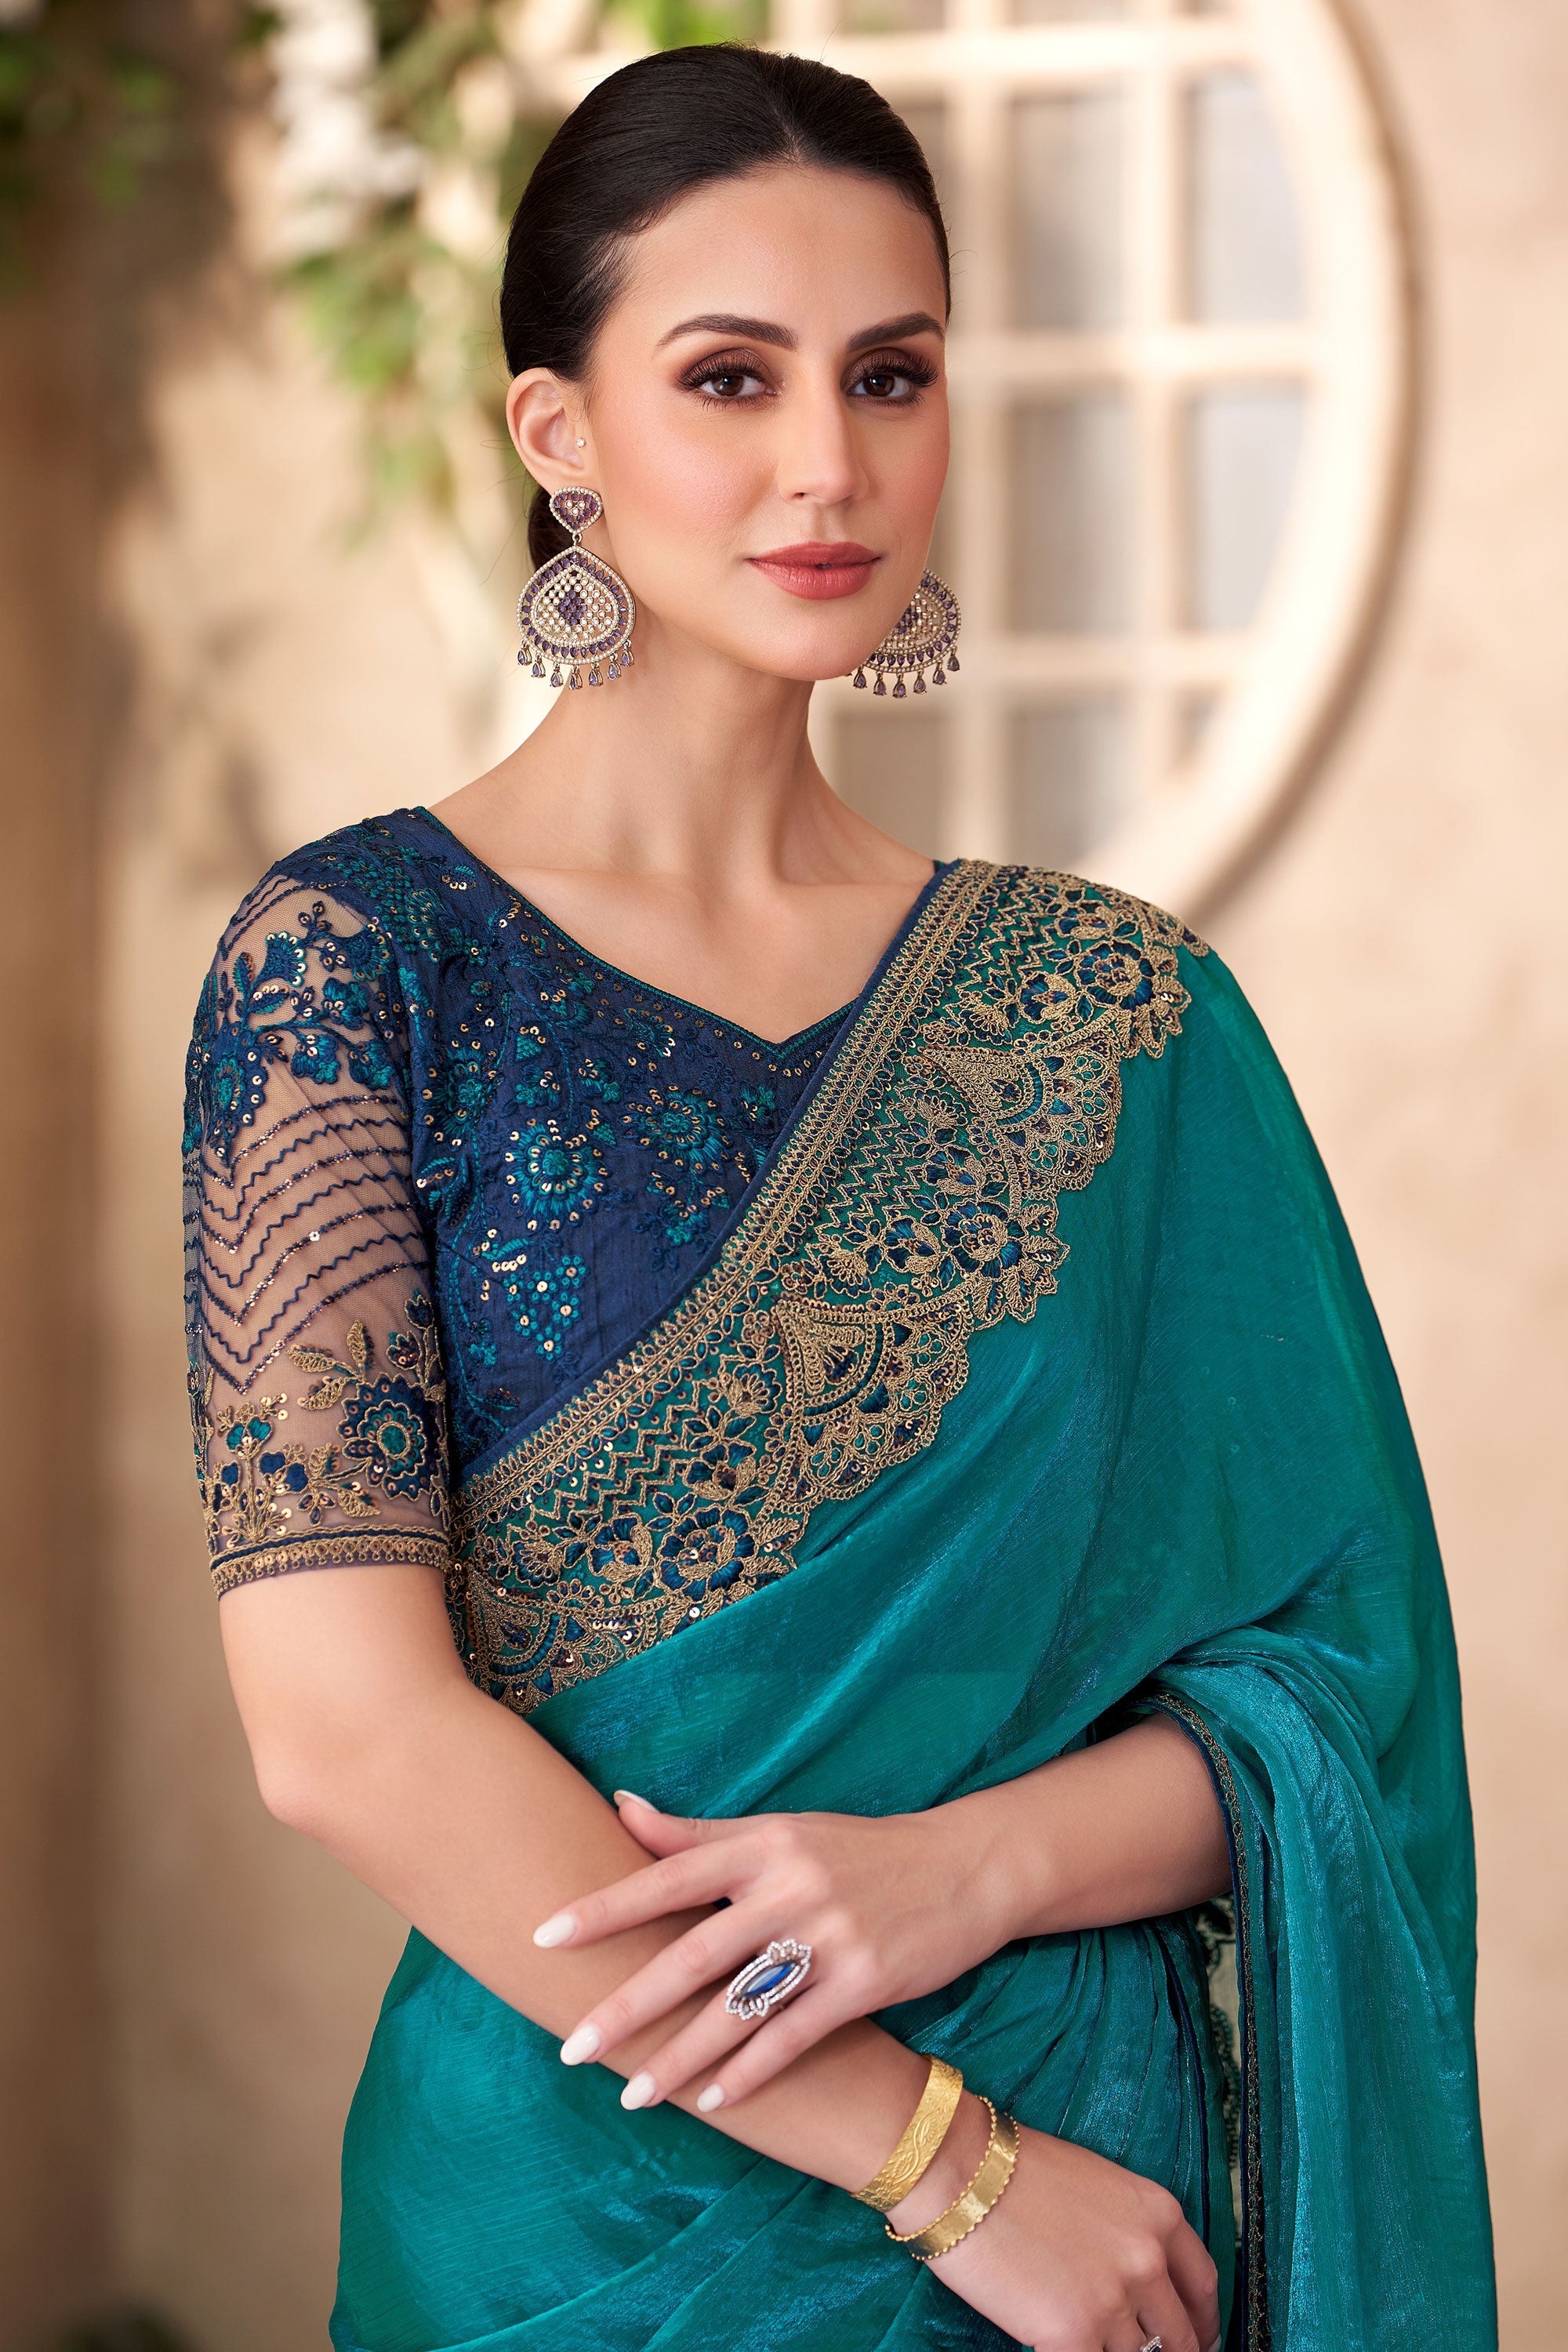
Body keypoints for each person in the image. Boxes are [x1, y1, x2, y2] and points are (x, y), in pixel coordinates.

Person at [182, 44, 1495, 2352]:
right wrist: (942, 2164)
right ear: (557, 432)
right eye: (730, 377)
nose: (831, 463)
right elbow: (346, 1733)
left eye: (891, 375)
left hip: (1108, 2198)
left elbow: (1340, 1694)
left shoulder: (1117, 1019)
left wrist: (958, 1872)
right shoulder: (352, 968)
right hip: (593, 2219)